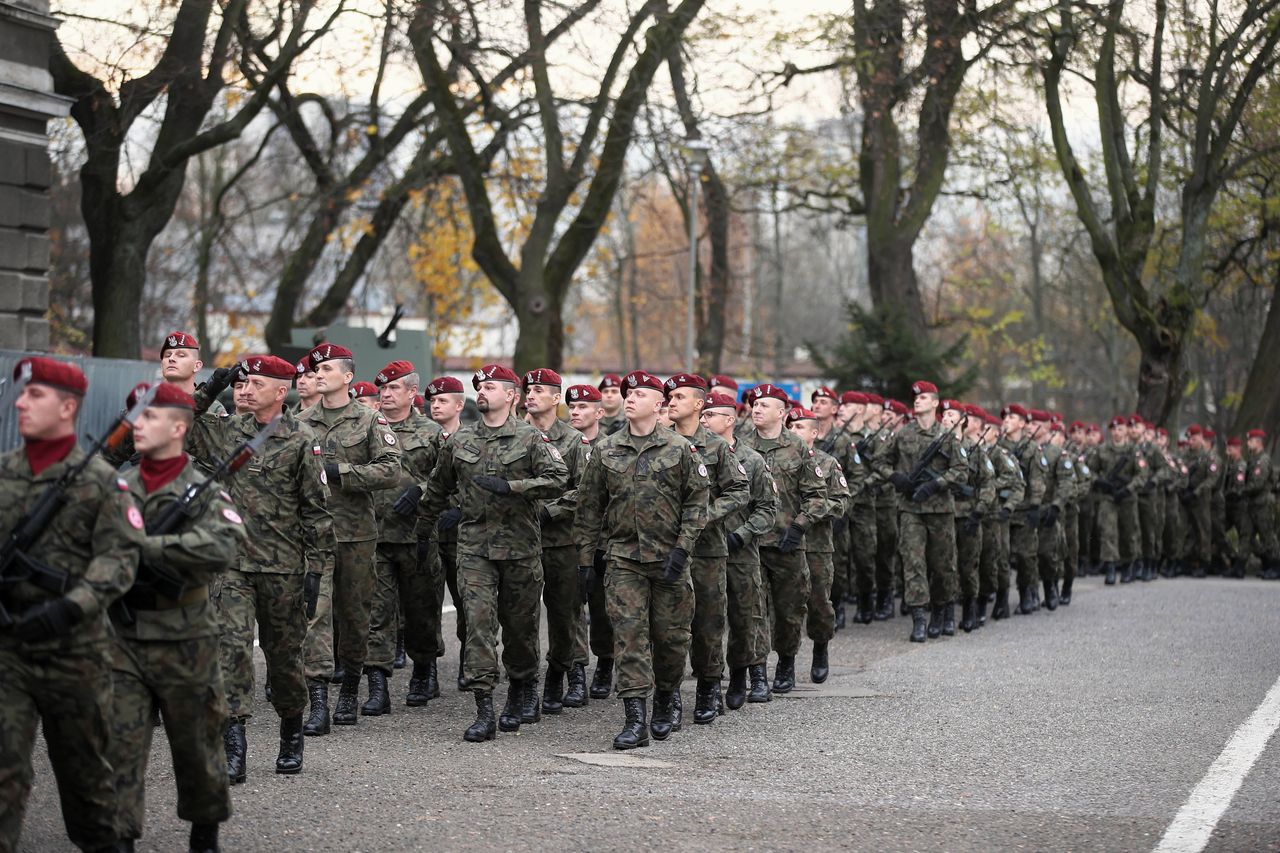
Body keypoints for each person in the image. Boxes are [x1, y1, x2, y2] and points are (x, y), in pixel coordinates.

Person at [0, 358, 140, 853]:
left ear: (66, 406)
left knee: (88, 784)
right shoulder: (3, 474)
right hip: (9, 649)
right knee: (4, 773)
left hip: (75, 651)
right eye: (21, 394)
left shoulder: (102, 482)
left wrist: (70, 607)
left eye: (33, 395)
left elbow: (119, 560)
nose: (19, 402)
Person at [110, 383, 245, 853]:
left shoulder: (202, 489)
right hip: (122, 637)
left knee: (197, 747)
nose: (137, 425)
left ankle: (204, 835)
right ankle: (119, 837)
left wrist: (151, 549)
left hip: (185, 637)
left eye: (148, 417)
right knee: (118, 748)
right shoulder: (116, 486)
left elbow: (224, 544)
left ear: (179, 427)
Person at [188, 354, 335, 776]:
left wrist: (316, 572)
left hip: (283, 569)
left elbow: (316, 513)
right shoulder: (227, 431)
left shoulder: (301, 439)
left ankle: (292, 729)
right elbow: (182, 423)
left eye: (255, 383)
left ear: (280, 390)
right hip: (232, 566)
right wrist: (212, 385)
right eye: (243, 382)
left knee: (285, 658)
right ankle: (234, 746)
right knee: (230, 651)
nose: (246, 389)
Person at [409, 364, 568, 742]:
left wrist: (512, 486)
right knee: (479, 625)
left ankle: (522, 688)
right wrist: (422, 535)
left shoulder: (532, 439)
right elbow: (436, 490)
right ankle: (484, 707)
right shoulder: (460, 442)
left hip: (520, 549)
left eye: (491, 386)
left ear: (512, 396)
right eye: (478, 386)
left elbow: (559, 479)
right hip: (474, 549)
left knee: (520, 627)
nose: (481, 391)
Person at [573, 370, 709, 749]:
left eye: (640, 394)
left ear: (659, 404)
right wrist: (586, 561)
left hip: (670, 560)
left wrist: (683, 549)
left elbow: (698, 504)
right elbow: (588, 509)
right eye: (627, 393)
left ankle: (667, 696)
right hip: (623, 560)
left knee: (670, 638)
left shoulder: (680, 449)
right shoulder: (606, 449)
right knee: (629, 638)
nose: (629, 398)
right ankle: (635, 717)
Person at [297, 343, 402, 727]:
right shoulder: (301, 421)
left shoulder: (370, 420)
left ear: (347, 376)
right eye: (315, 369)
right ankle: (319, 699)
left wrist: (343, 473)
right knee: (315, 614)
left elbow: (392, 470)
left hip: (356, 535)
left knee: (356, 617)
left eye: (326, 369)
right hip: (314, 535)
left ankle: (351, 690)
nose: (318, 374)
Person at [666, 373, 748, 722]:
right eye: (669, 396)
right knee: (667, 625)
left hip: (707, 550)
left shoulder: (715, 446)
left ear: (699, 405)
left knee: (708, 624)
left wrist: (704, 516)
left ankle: (708, 686)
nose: (671, 401)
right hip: (666, 548)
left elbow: (739, 490)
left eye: (680, 397)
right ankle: (667, 694)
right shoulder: (659, 442)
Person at [366, 361, 443, 711]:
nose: (385, 394)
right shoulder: (368, 427)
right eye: (383, 389)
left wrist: (421, 491)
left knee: (420, 612)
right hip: (375, 535)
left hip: (417, 536)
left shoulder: (431, 433)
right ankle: (377, 685)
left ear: (412, 393)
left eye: (393, 388)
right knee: (376, 613)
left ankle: (424, 671)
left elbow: (450, 482)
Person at [739, 383, 827, 691]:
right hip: (750, 544)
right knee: (753, 610)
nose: (757, 408)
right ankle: (758, 673)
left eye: (765, 405)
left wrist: (800, 525)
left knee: (790, 611)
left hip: (787, 544)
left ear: (782, 412)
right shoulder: (739, 444)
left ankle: (787, 662)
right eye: (755, 404)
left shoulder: (797, 447)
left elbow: (817, 495)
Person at [700, 392, 777, 707]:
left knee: (745, 618)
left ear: (729, 420)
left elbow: (767, 510)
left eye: (710, 415)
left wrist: (742, 534)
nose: (704, 421)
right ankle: (711, 683)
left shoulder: (752, 460)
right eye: (702, 415)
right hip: (703, 551)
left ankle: (741, 675)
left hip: (740, 553)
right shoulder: (692, 454)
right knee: (708, 620)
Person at [873, 382, 966, 642]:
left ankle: (941, 610)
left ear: (935, 402)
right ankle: (919, 619)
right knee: (913, 563)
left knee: (942, 565)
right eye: (915, 397)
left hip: (939, 510)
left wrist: (936, 484)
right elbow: (879, 461)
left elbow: (961, 470)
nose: (917, 400)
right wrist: (895, 477)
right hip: (910, 508)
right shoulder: (902, 435)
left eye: (923, 397)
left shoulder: (947, 435)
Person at [521, 369, 591, 713]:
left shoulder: (575, 441)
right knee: (522, 615)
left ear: (555, 398)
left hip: (561, 541)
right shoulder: (513, 436)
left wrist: (552, 510)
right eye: (528, 390)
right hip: (519, 541)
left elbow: (587, 489)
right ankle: (528, 682)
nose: (531, 395)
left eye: (538, 390)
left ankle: (567, 671)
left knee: (565, 614)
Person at [786, 406, 848, 680]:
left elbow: (841, 503)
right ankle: (785, 662)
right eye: (791, 426)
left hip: (816, 544)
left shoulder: (828, 463)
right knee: (786, 604)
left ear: (814, 432)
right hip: (784, 542)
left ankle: (820, 647)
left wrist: (812, 512)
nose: (794, 431)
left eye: (800, 427)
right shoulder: (777, 462)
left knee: (819, 601)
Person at [565, 384, 615, 698]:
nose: (575, 412)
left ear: (599, 412)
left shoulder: (612, 447)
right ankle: (576, 672)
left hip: (602, 541)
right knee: (569, 609)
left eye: (583, 407)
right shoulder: (558, 444)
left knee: (602, 610)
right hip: (566, 539)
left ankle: (606, 662)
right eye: (572, 407)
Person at [426, 375, 469, 689]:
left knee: (467, 602)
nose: (436, 405)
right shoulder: (425, 438)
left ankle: (471, 658)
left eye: (442, 401)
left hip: (463, 536)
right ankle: (426, 670)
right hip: (429, 532)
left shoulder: (473, 439)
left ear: (459, 405)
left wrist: (462, 510)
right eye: (433, 401)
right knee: (426, 603)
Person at [998, 404, 1047, 613]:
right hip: (1002, 508)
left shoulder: (1031, 448)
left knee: (1026, 556)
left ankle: (1028, 592)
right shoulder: (997, 446)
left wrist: (1035, 505)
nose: (1006, 421)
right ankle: (1002, 598)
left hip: (1025, 508)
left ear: (1021, 423)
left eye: (1012, 418)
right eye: (1005, 418)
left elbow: (1037, 479)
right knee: (1001, 556)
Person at [1243, 430, 1280, 578]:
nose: (1248, 443)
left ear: (1258, 442)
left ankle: (1276, 566)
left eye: (1250, 441)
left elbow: (1258, 483)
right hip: (1253, 503)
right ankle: (1266, 562)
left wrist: (1242, 491)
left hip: (1263, 503)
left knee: (1268, 536)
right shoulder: (1253, 459)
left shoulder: (1263, 461)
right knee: (1248, 535)